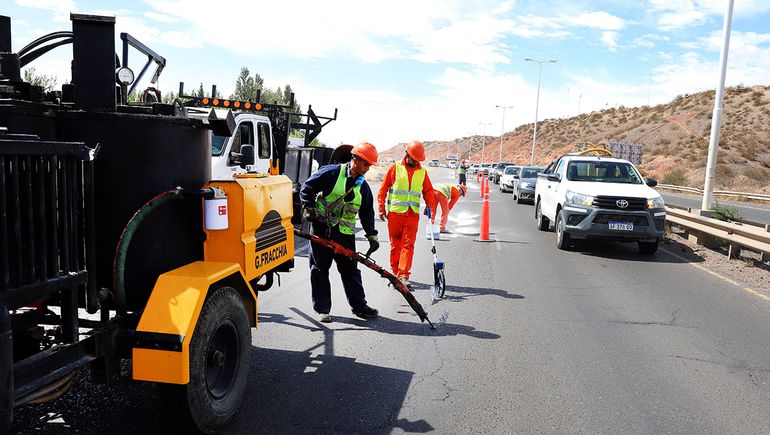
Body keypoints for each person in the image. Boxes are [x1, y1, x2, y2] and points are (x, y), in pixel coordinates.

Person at [300, 142, 381, 323]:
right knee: (320, 270)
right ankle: (322, 309)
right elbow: (307, 188)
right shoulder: (331, 172)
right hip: (321, 229)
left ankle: (359, 306)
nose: (368, 169)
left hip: (344, 235)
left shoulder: (363, 187)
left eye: (369, 165)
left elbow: (367, 212)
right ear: (355, 160)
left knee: (350, 270)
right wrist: (309, 207)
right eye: (366, 164)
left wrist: (371, 235)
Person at [377, 140, 438, 287]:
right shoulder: (395, 168)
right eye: (414, 159)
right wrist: (381, 208)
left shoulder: (422, 172)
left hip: (412, 215)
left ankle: (403, 275)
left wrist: (430, 206)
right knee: (395, 245)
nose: (416, 162)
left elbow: (428, 191)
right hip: (395, 214)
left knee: (408, 245)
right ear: (407, 155)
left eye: (418, 160)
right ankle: (395, 272)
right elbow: (383, 188)